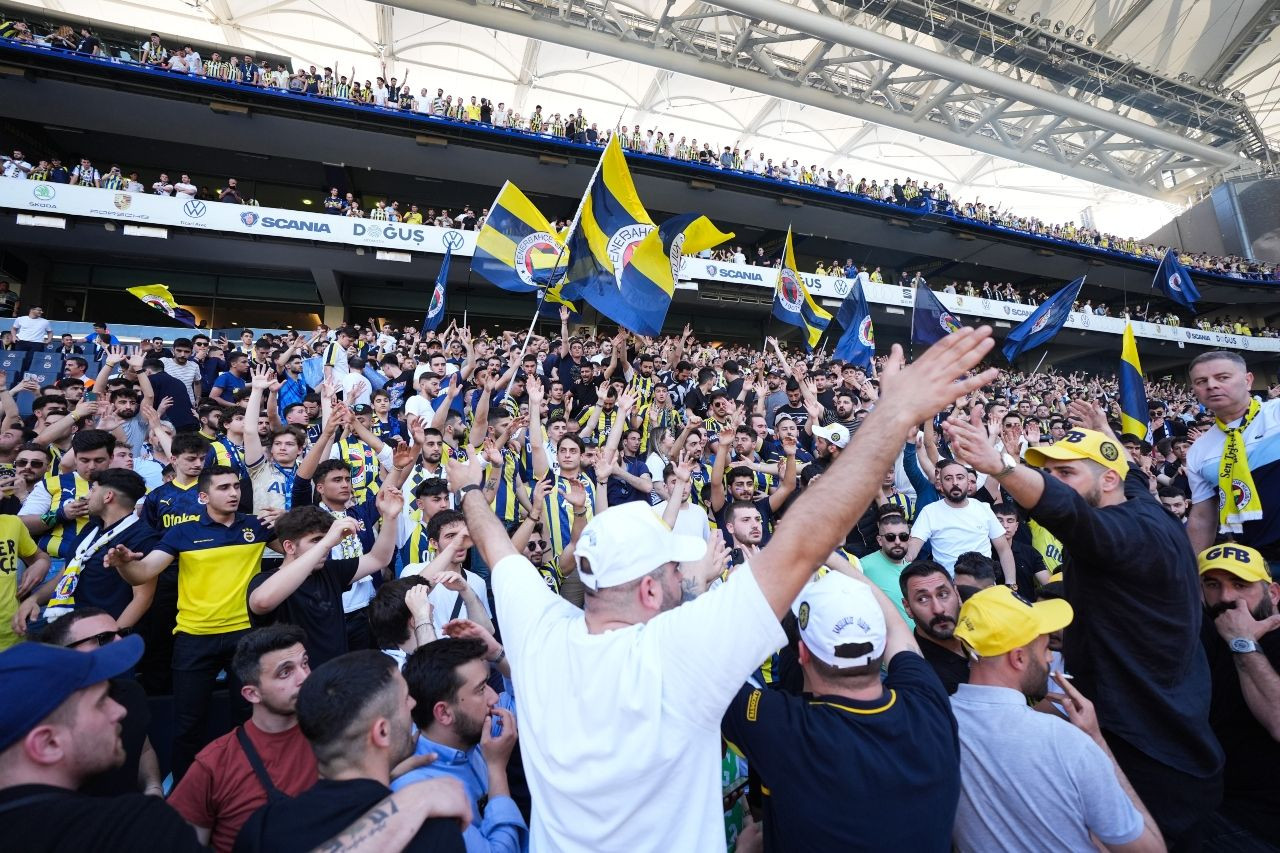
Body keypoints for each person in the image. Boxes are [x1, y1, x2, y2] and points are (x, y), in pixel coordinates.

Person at [450, 329, 998, 851]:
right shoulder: (679, 657)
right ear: (647, 591)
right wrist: (894, 414)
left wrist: (470, 486)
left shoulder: (536, 630)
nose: (682, 579)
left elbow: (495, 544)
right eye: (673, 571)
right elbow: (806, 541)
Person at [946, 417, 1225, 849]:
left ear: (1106, 479)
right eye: (1051, 473)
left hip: (1148, 744)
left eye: (1066, 472)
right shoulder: (1139, 503)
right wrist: (1107, 437)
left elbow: (1070, 514)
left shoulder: (1126, 533)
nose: (1055, 481)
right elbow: (1130, 479)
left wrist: (1001, 467)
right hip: (1160, 722)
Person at [721, 570, 960, 851]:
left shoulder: (784, 729)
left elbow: (704, 665)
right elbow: (896, 626)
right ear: (881, 647)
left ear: (803, 654)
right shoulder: (928, 703)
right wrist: (831, 557)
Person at [950, 586, 1163, 852]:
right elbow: (1149, 849)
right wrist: (1097, 740)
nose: (1051, 657)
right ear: (1018, 657)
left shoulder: (939, 721)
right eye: (1044, 646)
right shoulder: (1068, 743)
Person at [232, 649, 468, 853]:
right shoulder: (429, 830)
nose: (413, 704)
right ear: (382, 732)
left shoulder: (261, 828)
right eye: (405, 699)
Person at [168, 626, 318, 853]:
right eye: (285, 672)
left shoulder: (334, 733)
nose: (304, 677)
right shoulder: (214, 765)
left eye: (305, 663)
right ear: (252, 694)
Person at [396, 635, 527, 852]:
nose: (494, 698)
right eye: (481, 689)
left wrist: (498, 655)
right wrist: (496, 770)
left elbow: (527, 705)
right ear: (444, 712)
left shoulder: (469, 731)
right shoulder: (424, 796)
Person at [1195, 544, 1280, 846]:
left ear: (1272, 594)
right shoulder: (1201, 640)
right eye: (1212, 584)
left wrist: (1242, 642)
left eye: (1240, 585)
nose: (1226, 597)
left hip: (1260, 821)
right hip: (1210, 803)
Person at [35, 608, 162, 798]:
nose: (119, 642)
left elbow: (143, 749)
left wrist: (153, 787)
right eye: (104, 638)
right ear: (65, 652)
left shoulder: (132, 693)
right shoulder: (44, 711)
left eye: (121, 634)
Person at [1185, 352, 1280, 565]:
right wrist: (1190, 576)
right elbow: (1202, 518)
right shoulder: (1199, 450)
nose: (1211, 385)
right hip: (1255, 561)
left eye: (1222, 377)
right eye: (1201, 381)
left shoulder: (1276, 413)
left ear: (1248, 380)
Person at [905, 458, 1016, 585]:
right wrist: (907, 557)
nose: (955, 483)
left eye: (960, 477)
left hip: (985, 586)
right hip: (949, 589)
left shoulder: (983, 508)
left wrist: (1011, 584)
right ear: (940, 484)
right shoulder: (929, 511)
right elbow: (914, 544)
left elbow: (1004, 549)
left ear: (968, 483)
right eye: (948, 478)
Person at [899, 559, 969, 694]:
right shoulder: (920, 679)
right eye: (923, 599)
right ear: (907, 607)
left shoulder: (983, 635)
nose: (938, 609)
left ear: (957, 595)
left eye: (943, 594)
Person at [858, 511, 913, 625]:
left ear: (909, 538)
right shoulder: (863, 566)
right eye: (890, 537)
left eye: (903, 536)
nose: (897, 542)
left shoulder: (913, 569)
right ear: (879, 540)